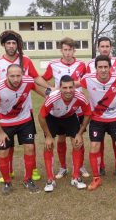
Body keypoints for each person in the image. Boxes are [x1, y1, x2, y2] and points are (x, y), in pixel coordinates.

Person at [0, 30, 52, 183]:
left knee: (29, 143)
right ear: (4, 45)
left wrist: (52, 89)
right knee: (7, 145)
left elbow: (35, 79)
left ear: (17, 45)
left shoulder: (25, 60)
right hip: (4, 112)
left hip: (25, 110)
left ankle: (33, 169)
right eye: (8, 43)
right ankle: (8, 171)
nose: (11, 46)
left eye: (14, 43)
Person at [0, 64, 44, 195]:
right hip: (5, 124)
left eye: (18, 75)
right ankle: (7, 182)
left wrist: (49, 96)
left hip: (25, 121)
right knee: (3, 152)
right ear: (6, 76)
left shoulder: (28, 81)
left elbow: (38, 89)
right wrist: (0, 132)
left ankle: (28, 179)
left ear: (22, 75)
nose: (15, 79)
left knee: (30, 148)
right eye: (12, 76)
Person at [42, 37, 89, 179]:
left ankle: (80, 165)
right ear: (61, 50)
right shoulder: (54, 64)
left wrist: (75, 84)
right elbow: (43, 78)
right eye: (65, 50)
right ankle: (63, 167)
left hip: (77, 106)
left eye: (70, 50)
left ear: (74, 50)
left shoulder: (81, 64)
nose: (68, 53)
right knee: (61, 139)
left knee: (78, 139)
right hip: (59, 106)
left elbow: (85, 81)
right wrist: (50, 89)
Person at [80, 55, 116, 191]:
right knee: (94, 146)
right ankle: (96, 179)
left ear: (110, 68)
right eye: (100, 67)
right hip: (97, 119)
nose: (103, 70)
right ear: (95, 68)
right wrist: (55, 89)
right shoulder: (87, 79)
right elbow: (74, 85)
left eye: (105, 67)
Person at [38, 75, 91, 192]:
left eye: (71, 87)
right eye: (65, 88)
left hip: (70, 117)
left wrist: (79, 133)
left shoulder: (80, 96)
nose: (68, 91)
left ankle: (76, 177)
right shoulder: (52, 97)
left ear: (74, 87)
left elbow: (88, 113)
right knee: (48, 146)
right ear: (60, 88)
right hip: (53, 118)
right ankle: (50, 179)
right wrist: (48, 136)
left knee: (77, 143)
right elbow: (41, 116)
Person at [86, 37, 116, 176]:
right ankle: (100, 166)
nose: (104, 48)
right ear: (98, 48)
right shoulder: (89, 66)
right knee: (98, 143)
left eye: (107, 46)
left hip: (115, 117)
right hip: (97, 117)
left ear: (111, 47)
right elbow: (77, 83)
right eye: (102, 46)